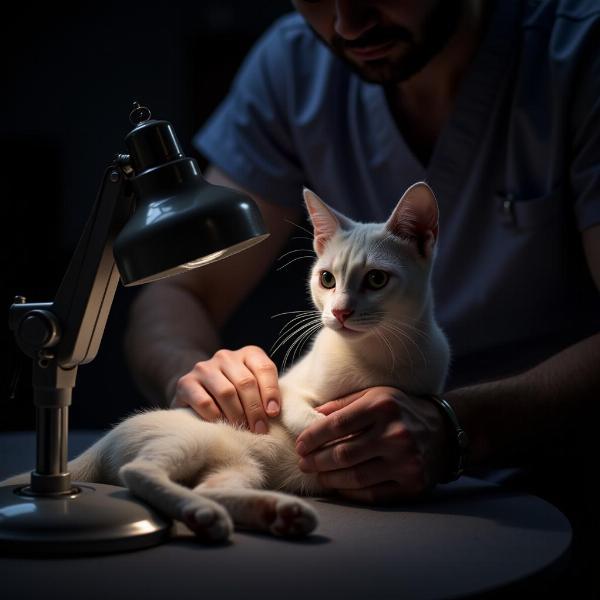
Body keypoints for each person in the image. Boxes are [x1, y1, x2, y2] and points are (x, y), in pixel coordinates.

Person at [125, 0, 600, 508]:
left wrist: (461, 428)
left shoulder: (578, 53)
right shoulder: (294, 67)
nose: (347, 24)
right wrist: (194, 376)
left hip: (567, 479)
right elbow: (178, 291)